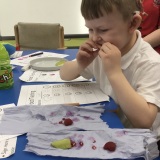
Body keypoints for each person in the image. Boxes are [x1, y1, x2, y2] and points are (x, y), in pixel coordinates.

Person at [60, 0, 160, 153]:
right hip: (111, 127)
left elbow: (144, 121)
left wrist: (114, 73)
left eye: (102, 30)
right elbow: (64, 75)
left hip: (144, 143)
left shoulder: (151, 63)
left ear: (132, 24)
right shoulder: (101, 51)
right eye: (90, 30)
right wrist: (80, 64)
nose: (94, 38)